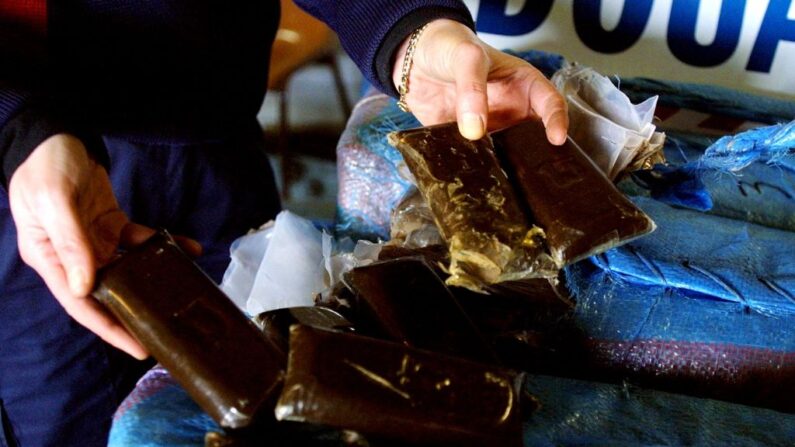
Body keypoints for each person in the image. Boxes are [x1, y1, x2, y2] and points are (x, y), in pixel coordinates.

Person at [0, 1, 567, 445]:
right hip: (31, 188)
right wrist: (17, 128)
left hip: (213, 143)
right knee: (69, 418)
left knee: (273, 387)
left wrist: (412, 31)